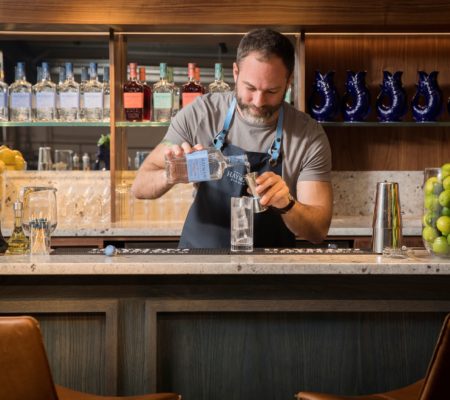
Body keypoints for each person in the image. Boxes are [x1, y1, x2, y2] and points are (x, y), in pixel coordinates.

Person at [132, 28, 333, 248]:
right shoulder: (200, 114)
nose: (258, 101)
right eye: (250, 88)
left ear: (288, 82)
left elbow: (318, 230)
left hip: (271, 272)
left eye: (272, 91)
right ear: (235, 73)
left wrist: (287, 204)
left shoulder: (308, 136)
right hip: (200, 265)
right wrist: (172, 173)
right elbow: (140, 186)